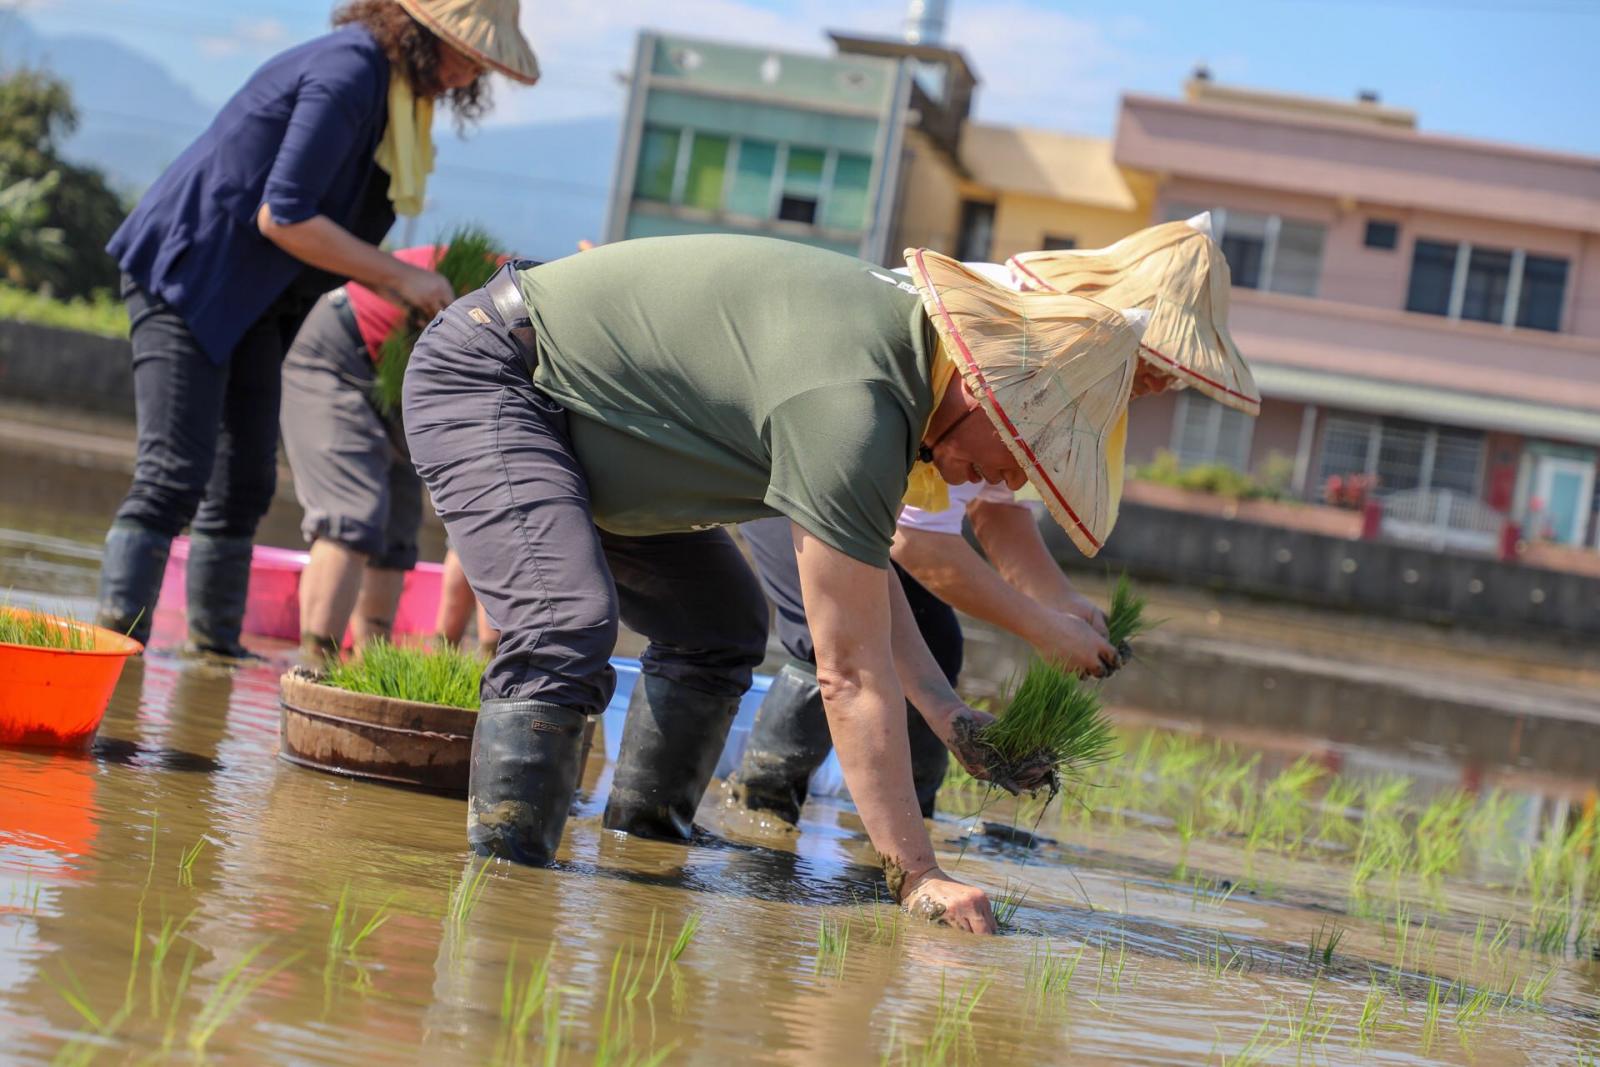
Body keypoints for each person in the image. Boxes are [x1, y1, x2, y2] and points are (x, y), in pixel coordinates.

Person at [404, 233, 1152, 934]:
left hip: (606, 434)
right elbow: (849, 672)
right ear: (979, 387)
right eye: (1025, 448)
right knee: (565, 627)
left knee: (720, 624)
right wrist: (917, 873)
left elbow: (864, 588)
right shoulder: (857, 402)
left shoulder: (898, 381)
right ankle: (505, 900)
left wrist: (949, 713)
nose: (1014, 479)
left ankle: (639, 857)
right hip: (501, 379)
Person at [728, 217, 1257, 825]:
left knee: (936, 641)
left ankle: (888, 831)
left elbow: (993, 503)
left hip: (867, 497)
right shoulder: (1011, 336)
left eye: (1180, 373)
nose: (1165, 383)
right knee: (826, 636)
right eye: (1160, 359)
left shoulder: (1073, 374)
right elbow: (917, 544)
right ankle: (762, 809)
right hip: (789, 449)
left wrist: (1059, 602)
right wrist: (1043, 630)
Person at [93, 0, 539, 656]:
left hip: (259, 300)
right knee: (173, 474)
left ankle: (213, 654)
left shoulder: (399, 106)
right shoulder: (350, 71)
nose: (467, 75)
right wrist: (399, 276)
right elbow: (285, 215)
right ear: (418, 33)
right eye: (463, 54)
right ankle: (110, 650)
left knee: (245, 481)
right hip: (191, 273)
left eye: (480, 64)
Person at [280, 244, 506, 660]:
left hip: (410, 373)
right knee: (350, 516)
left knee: (398, 527)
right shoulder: (515, 305)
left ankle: (369, 662)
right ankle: (313, 664)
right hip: (342, 349)